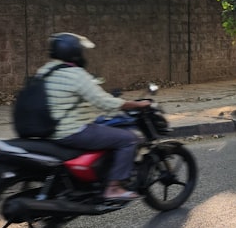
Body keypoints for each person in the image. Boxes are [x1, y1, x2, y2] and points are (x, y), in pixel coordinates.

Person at [36, 33, 151, 201]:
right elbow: (103, 102)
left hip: (48, 131)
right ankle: (113, 188)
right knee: (128, 139)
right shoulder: (76, 74)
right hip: (73, 131)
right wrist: (136, 104)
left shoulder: (44, 71)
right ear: (75, 52)